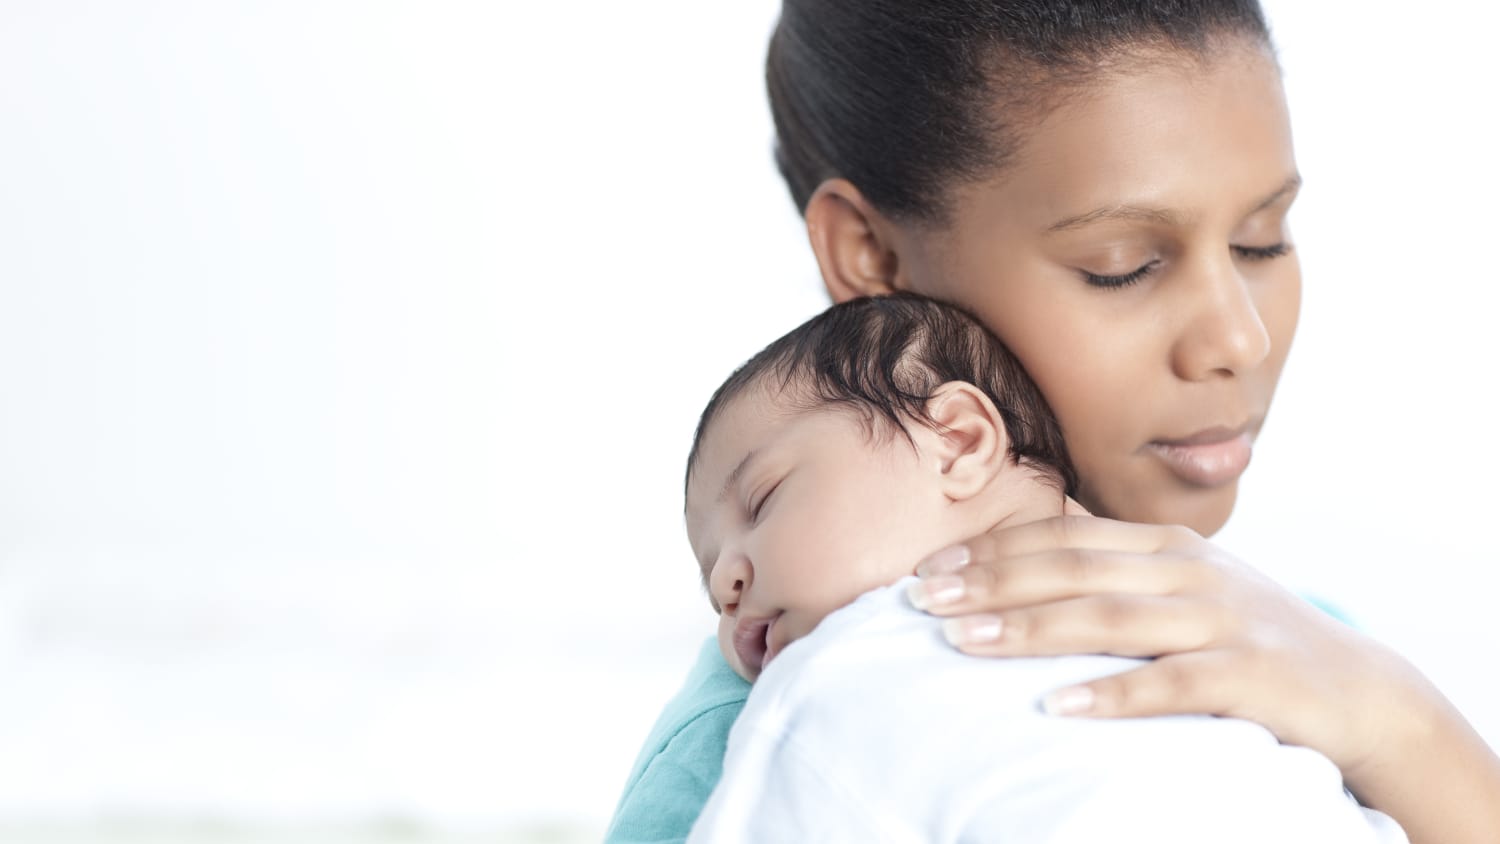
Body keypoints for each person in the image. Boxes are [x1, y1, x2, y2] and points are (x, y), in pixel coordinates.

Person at [605, 2, 1500, 842]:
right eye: (1123, 265)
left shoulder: (1305, 642)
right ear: (872, 255)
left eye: (1262, 240)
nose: (1238, 336)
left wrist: (1401, 726)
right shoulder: (759, 749)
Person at [682, 292, 1404, 841]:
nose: (724, 585)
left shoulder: (836, 682)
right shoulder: (1235, 630)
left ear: (960, 442)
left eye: (764, 499)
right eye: (710, 568)